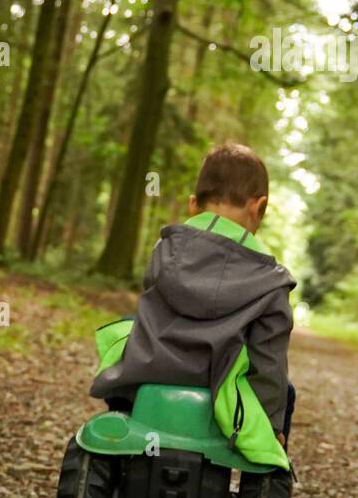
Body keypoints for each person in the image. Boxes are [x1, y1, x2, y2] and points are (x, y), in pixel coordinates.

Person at [90, 142, 296, 465]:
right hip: (219, 391)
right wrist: (270, 427)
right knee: (286, 392)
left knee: (128, 327)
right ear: (258, 207)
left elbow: (153, 313)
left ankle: (124, 427)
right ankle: (267, 464)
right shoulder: (271, 281)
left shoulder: (164, 250)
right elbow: (268, 360)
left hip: (149, 369)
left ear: (192, 205)